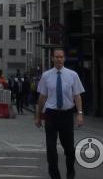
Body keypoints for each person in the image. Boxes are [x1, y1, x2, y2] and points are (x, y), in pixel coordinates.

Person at [35, 48, 85, 179]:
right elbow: (42, 97)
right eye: (56, 57)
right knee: (51, 148)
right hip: (51, 114)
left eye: (61, 57)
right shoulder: (46, 76)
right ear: (52, 59)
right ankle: (55, 176)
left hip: (66, 114)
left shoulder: (72, 75)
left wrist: (79, 113)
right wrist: (38, 116)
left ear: (64, 59)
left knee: (69, 148)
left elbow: (77, 96)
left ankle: (70, 173)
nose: (59, 59)